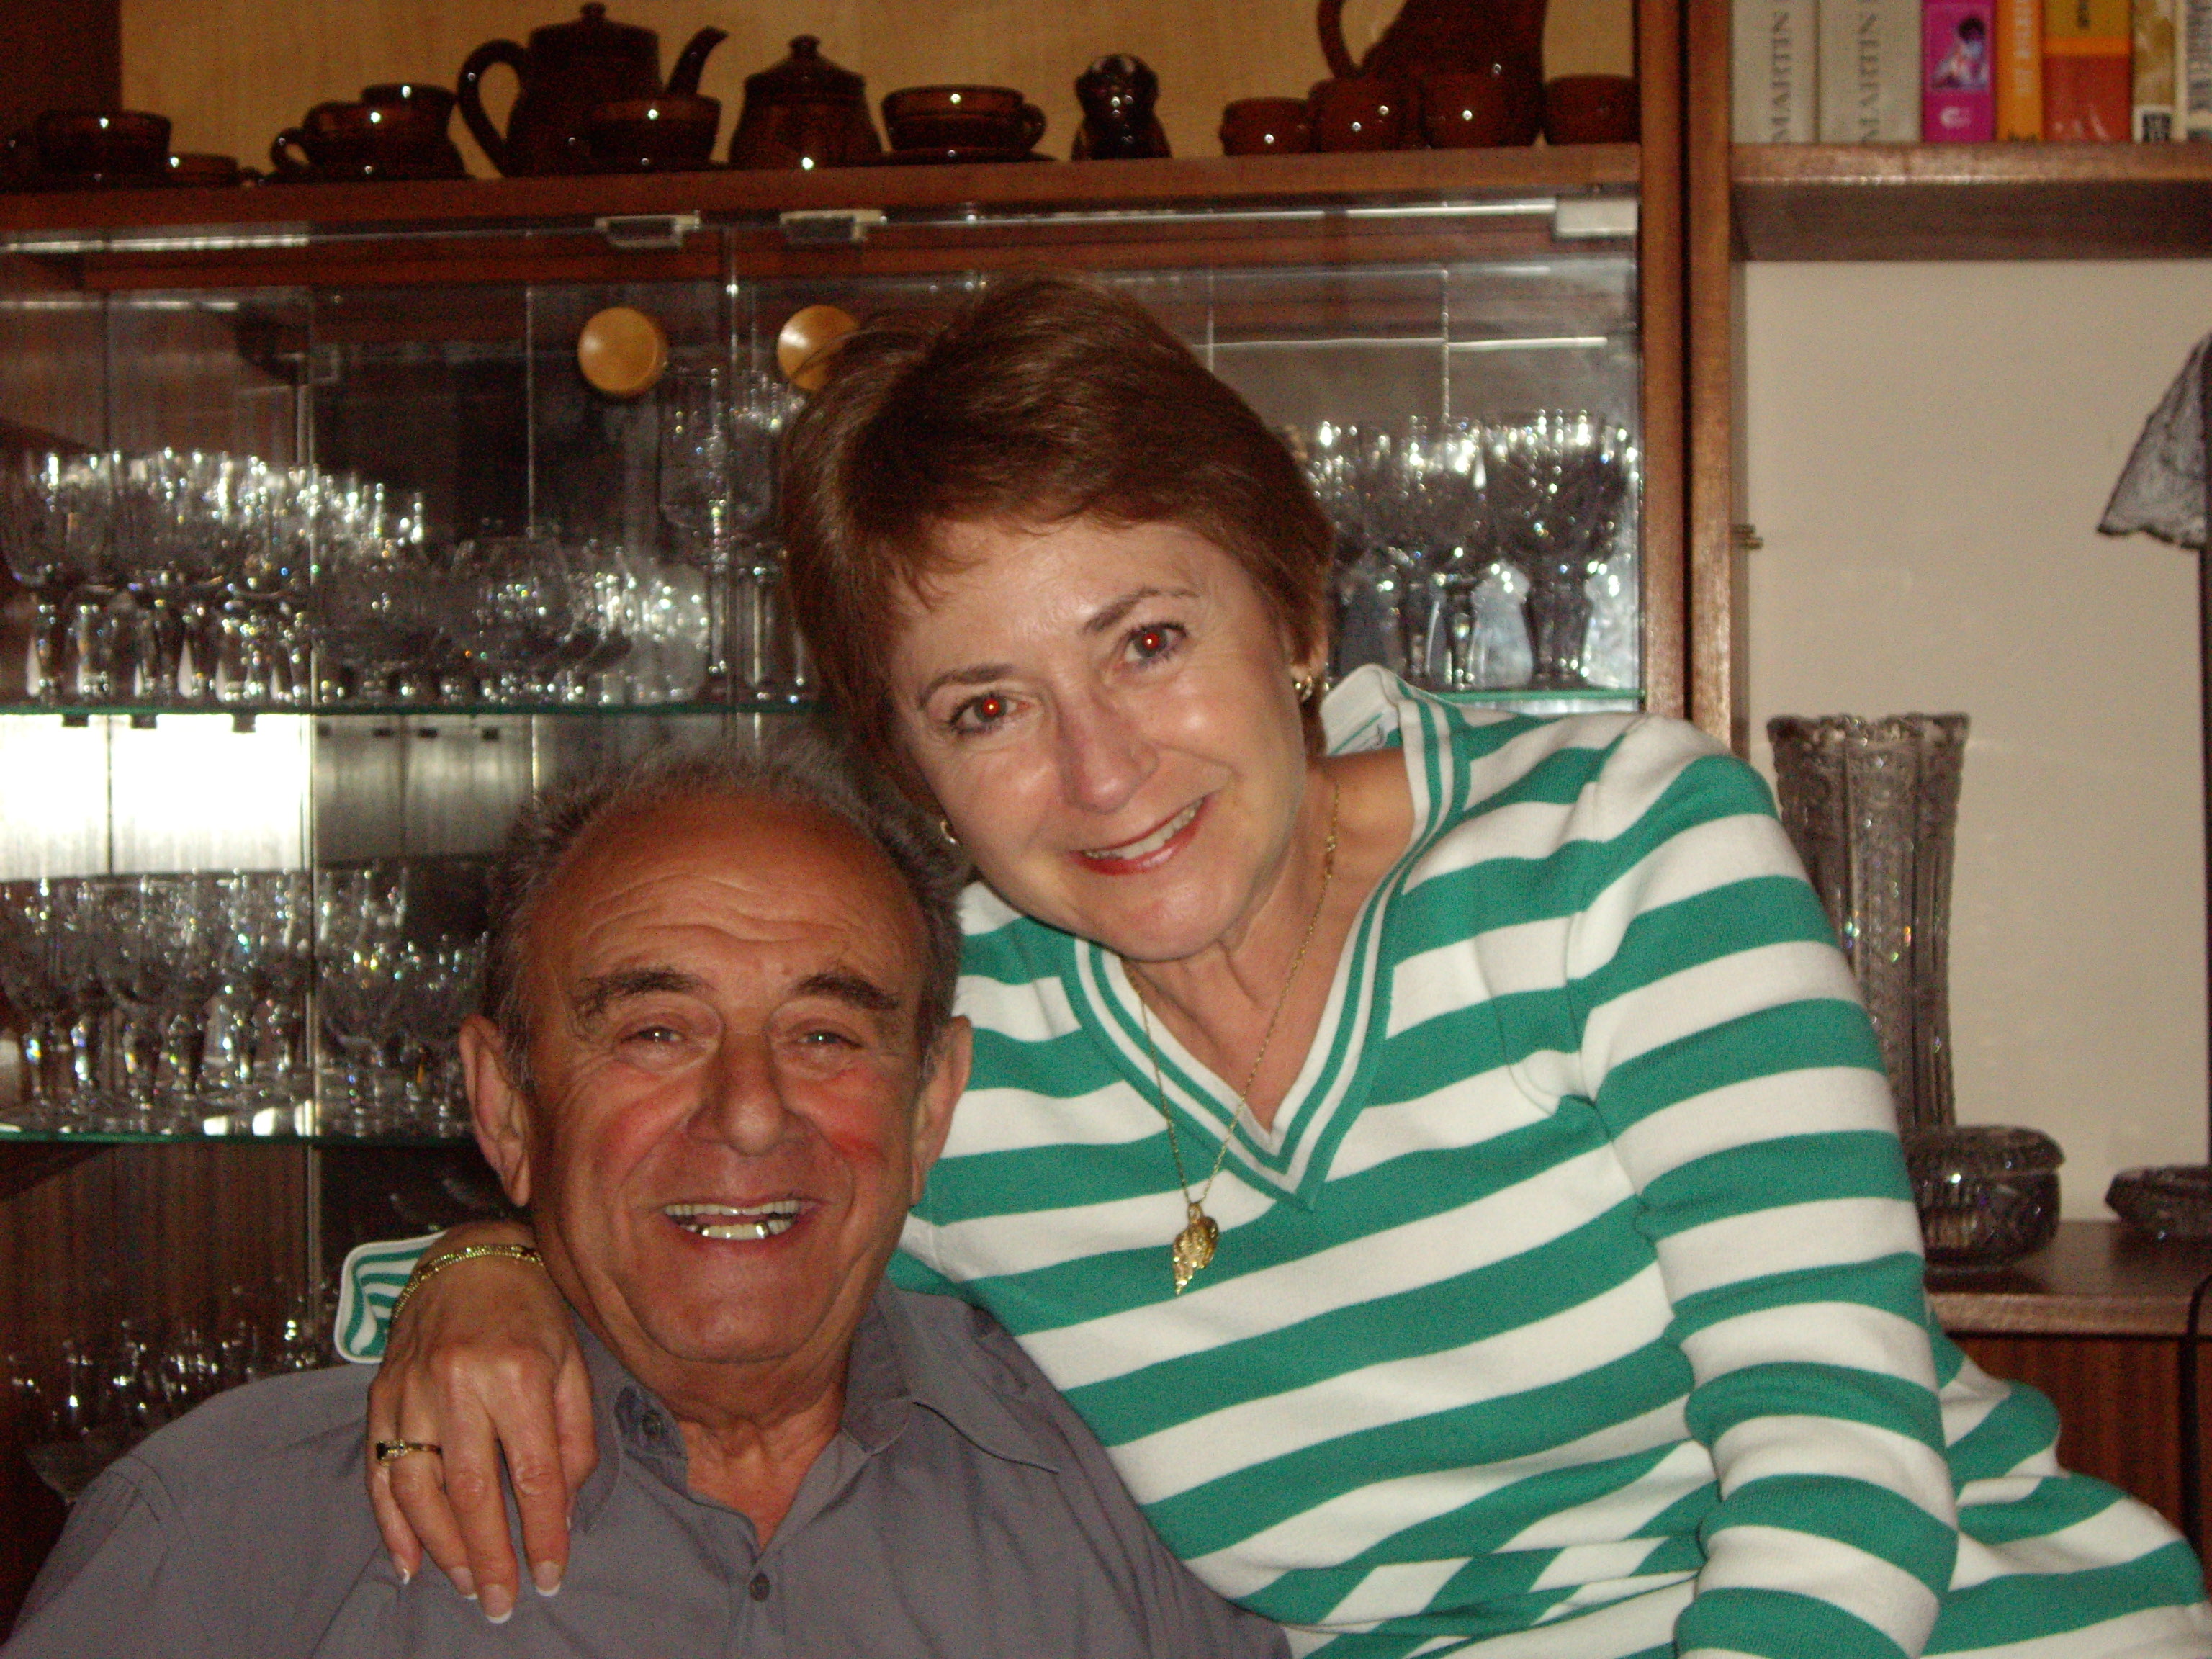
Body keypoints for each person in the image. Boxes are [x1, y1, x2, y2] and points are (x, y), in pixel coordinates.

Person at [353, 276, 2212, 1658]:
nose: (1101, 772)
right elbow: (681, 1255)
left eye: (1149, 641)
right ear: (906, 766)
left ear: (1298, 609)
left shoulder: (1615, 848)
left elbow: (1839, 1453)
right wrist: (478, 1270)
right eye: (986, 706)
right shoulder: (956, 1053)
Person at [4, 744, 1285, 1659]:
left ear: (931, 1105)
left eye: (826, 1037)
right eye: (656, 1033)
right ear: (507, 1105)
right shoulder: (234, 1534)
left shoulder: (1126, 1486)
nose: (750, 1112)